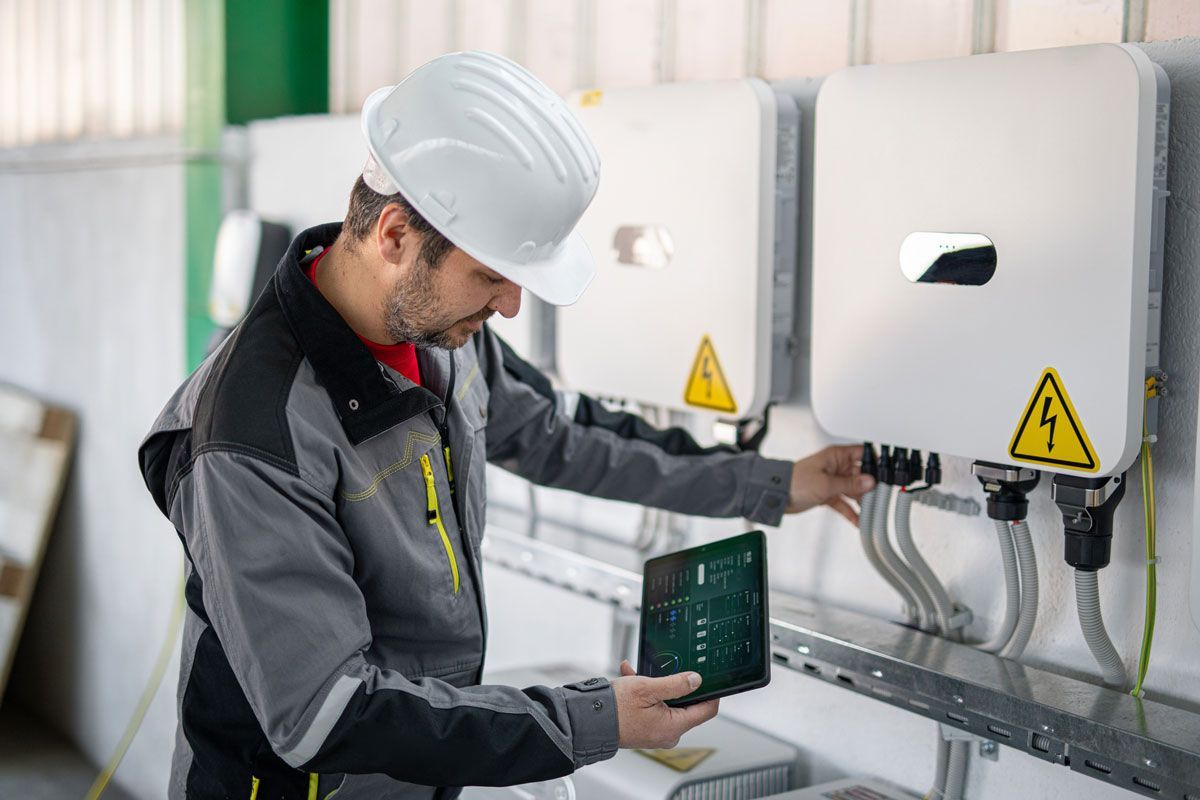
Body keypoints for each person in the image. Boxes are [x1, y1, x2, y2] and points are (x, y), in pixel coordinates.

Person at [138, 50, 875, 800]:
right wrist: (593, 721)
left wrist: (778, 483)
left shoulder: (443, 336)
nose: (512, 308)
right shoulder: (250, 437)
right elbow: (329, 714)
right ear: (394, 235)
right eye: (492, 276)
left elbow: (567, 436)